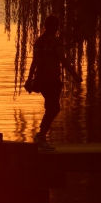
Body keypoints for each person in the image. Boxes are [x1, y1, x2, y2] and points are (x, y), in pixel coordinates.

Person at [26, 15, 81, 150]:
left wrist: (29, 78)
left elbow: (35, 62)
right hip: (51, 80)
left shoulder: (39, 41)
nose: (57, 29)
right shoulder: (55, 42)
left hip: (41, 80)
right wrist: (74, 75)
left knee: (51, 107)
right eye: (56, 26)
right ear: (54, 27)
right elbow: (63, 60)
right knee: (54, 108)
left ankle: (41, 136)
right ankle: (41, 136)